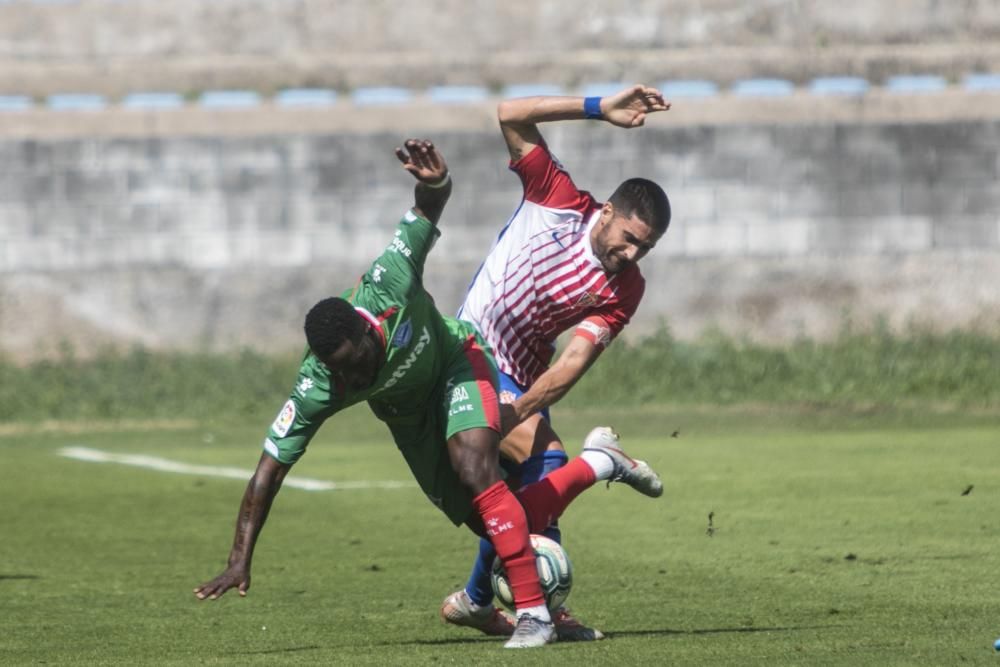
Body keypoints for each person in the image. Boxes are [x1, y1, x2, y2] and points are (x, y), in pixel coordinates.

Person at [193, 138, 664, 649]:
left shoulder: (391, 281)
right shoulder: (320, 383)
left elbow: (426, 209)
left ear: (369, 331)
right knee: (496, 521)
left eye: (357, 366)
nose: (353, 382)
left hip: (460, 360)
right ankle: (596, 466)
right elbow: (269, 467)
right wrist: (240, 557)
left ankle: (535, 615)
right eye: (343, 377)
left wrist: (435, 181)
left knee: (478, 466)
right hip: (410, 418)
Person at [440, 85, 672, 641]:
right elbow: (510, 113)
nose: (632, 254)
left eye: (646, 248)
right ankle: (533, 601)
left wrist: (516, 409)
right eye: (629, 238)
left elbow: (572, 362)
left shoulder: (627, 286)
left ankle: (481, 599)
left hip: (522, 375)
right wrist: (599, 109)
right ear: (608, 212)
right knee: (548, 464)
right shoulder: (558, 197)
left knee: (530, 484)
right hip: (469, 351)